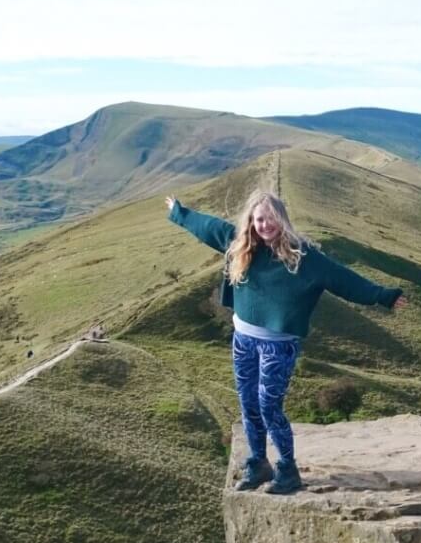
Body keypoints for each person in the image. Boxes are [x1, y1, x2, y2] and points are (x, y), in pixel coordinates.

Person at [166, 190, 406, 494]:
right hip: (243, 340)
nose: (265, 224)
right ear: (251, 221)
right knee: (248, 404)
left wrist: (384, 296)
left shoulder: (304, 257)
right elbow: (207, 227)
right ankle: (258, 464)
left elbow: (345, 281)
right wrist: (179, 212)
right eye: (259, 219)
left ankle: (288, 470)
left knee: (269, 407)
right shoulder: (240, 245)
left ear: (282, 219)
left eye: (271, 218)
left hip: (277, 346)